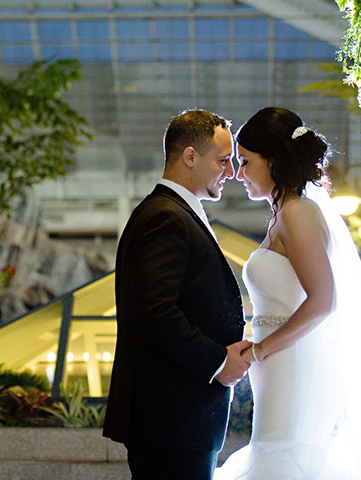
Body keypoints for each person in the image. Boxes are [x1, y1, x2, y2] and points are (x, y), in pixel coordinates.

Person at [215, 107, 361, 479]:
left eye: (246, 162)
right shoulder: (284, 214)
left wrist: (260, 350)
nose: (238, 173)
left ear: (274, 161)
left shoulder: (297, 213)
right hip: (281, 361)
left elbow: (322, 300)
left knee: (285, 458)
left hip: (291, 362)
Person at [104, 109, 251, 480]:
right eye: (223, 160)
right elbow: (155, 311)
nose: (231, 171)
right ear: (190, 157)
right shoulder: (166, 217)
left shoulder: (171, 212)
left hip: (175, 420)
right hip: (172, 418)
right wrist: (219, 361)